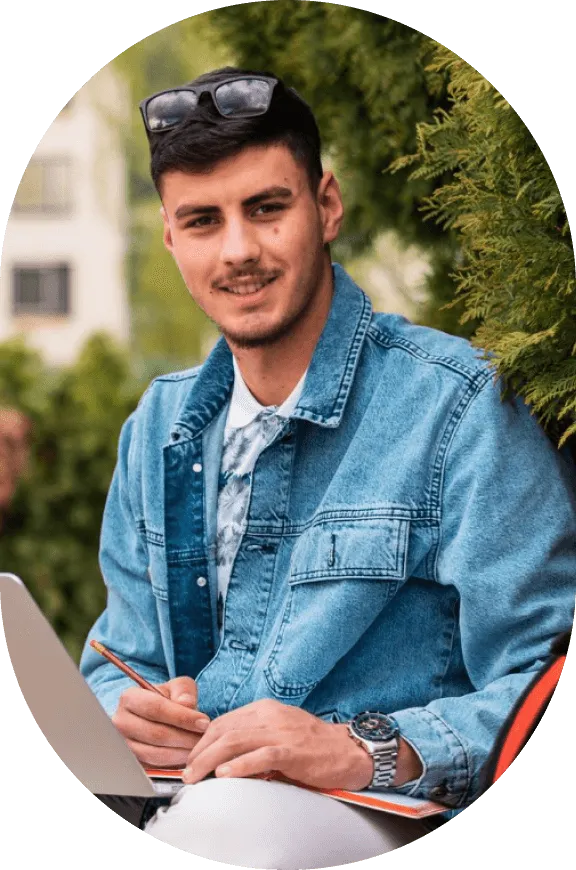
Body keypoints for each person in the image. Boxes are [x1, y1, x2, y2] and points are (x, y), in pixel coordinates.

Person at [79, 67, 576, 866]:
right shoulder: (157, 428)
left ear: (327, 206)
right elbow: (120, 661)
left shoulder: (459, 406)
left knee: (226, 828)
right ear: (171, 238)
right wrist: (122, 715)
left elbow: (541, 681)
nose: (238, 250)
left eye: (266, 208)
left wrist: (362, 749)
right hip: (192, 803)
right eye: (202, 221)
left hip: (382, 816)